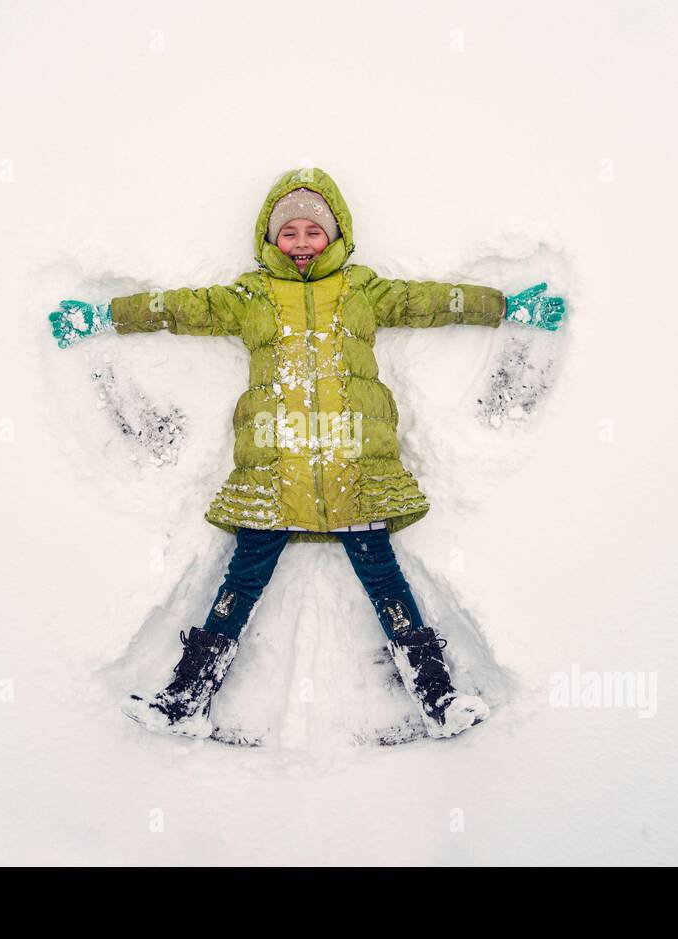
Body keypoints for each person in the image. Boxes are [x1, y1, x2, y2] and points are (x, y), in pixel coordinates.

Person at [49, 167, 565, 741]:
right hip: (275, 468)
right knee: (239, 583)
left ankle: (437, 696)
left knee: (386, 582)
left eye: (312, 232)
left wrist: (506, 307)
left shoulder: (363, 290)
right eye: (288, 232)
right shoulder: (250, 296)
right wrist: (103, 317)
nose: (300, 242)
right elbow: (178, 308)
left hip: (354, 468)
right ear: (270, 240)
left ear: (336, 234)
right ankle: (185, 696)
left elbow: (432, 302)